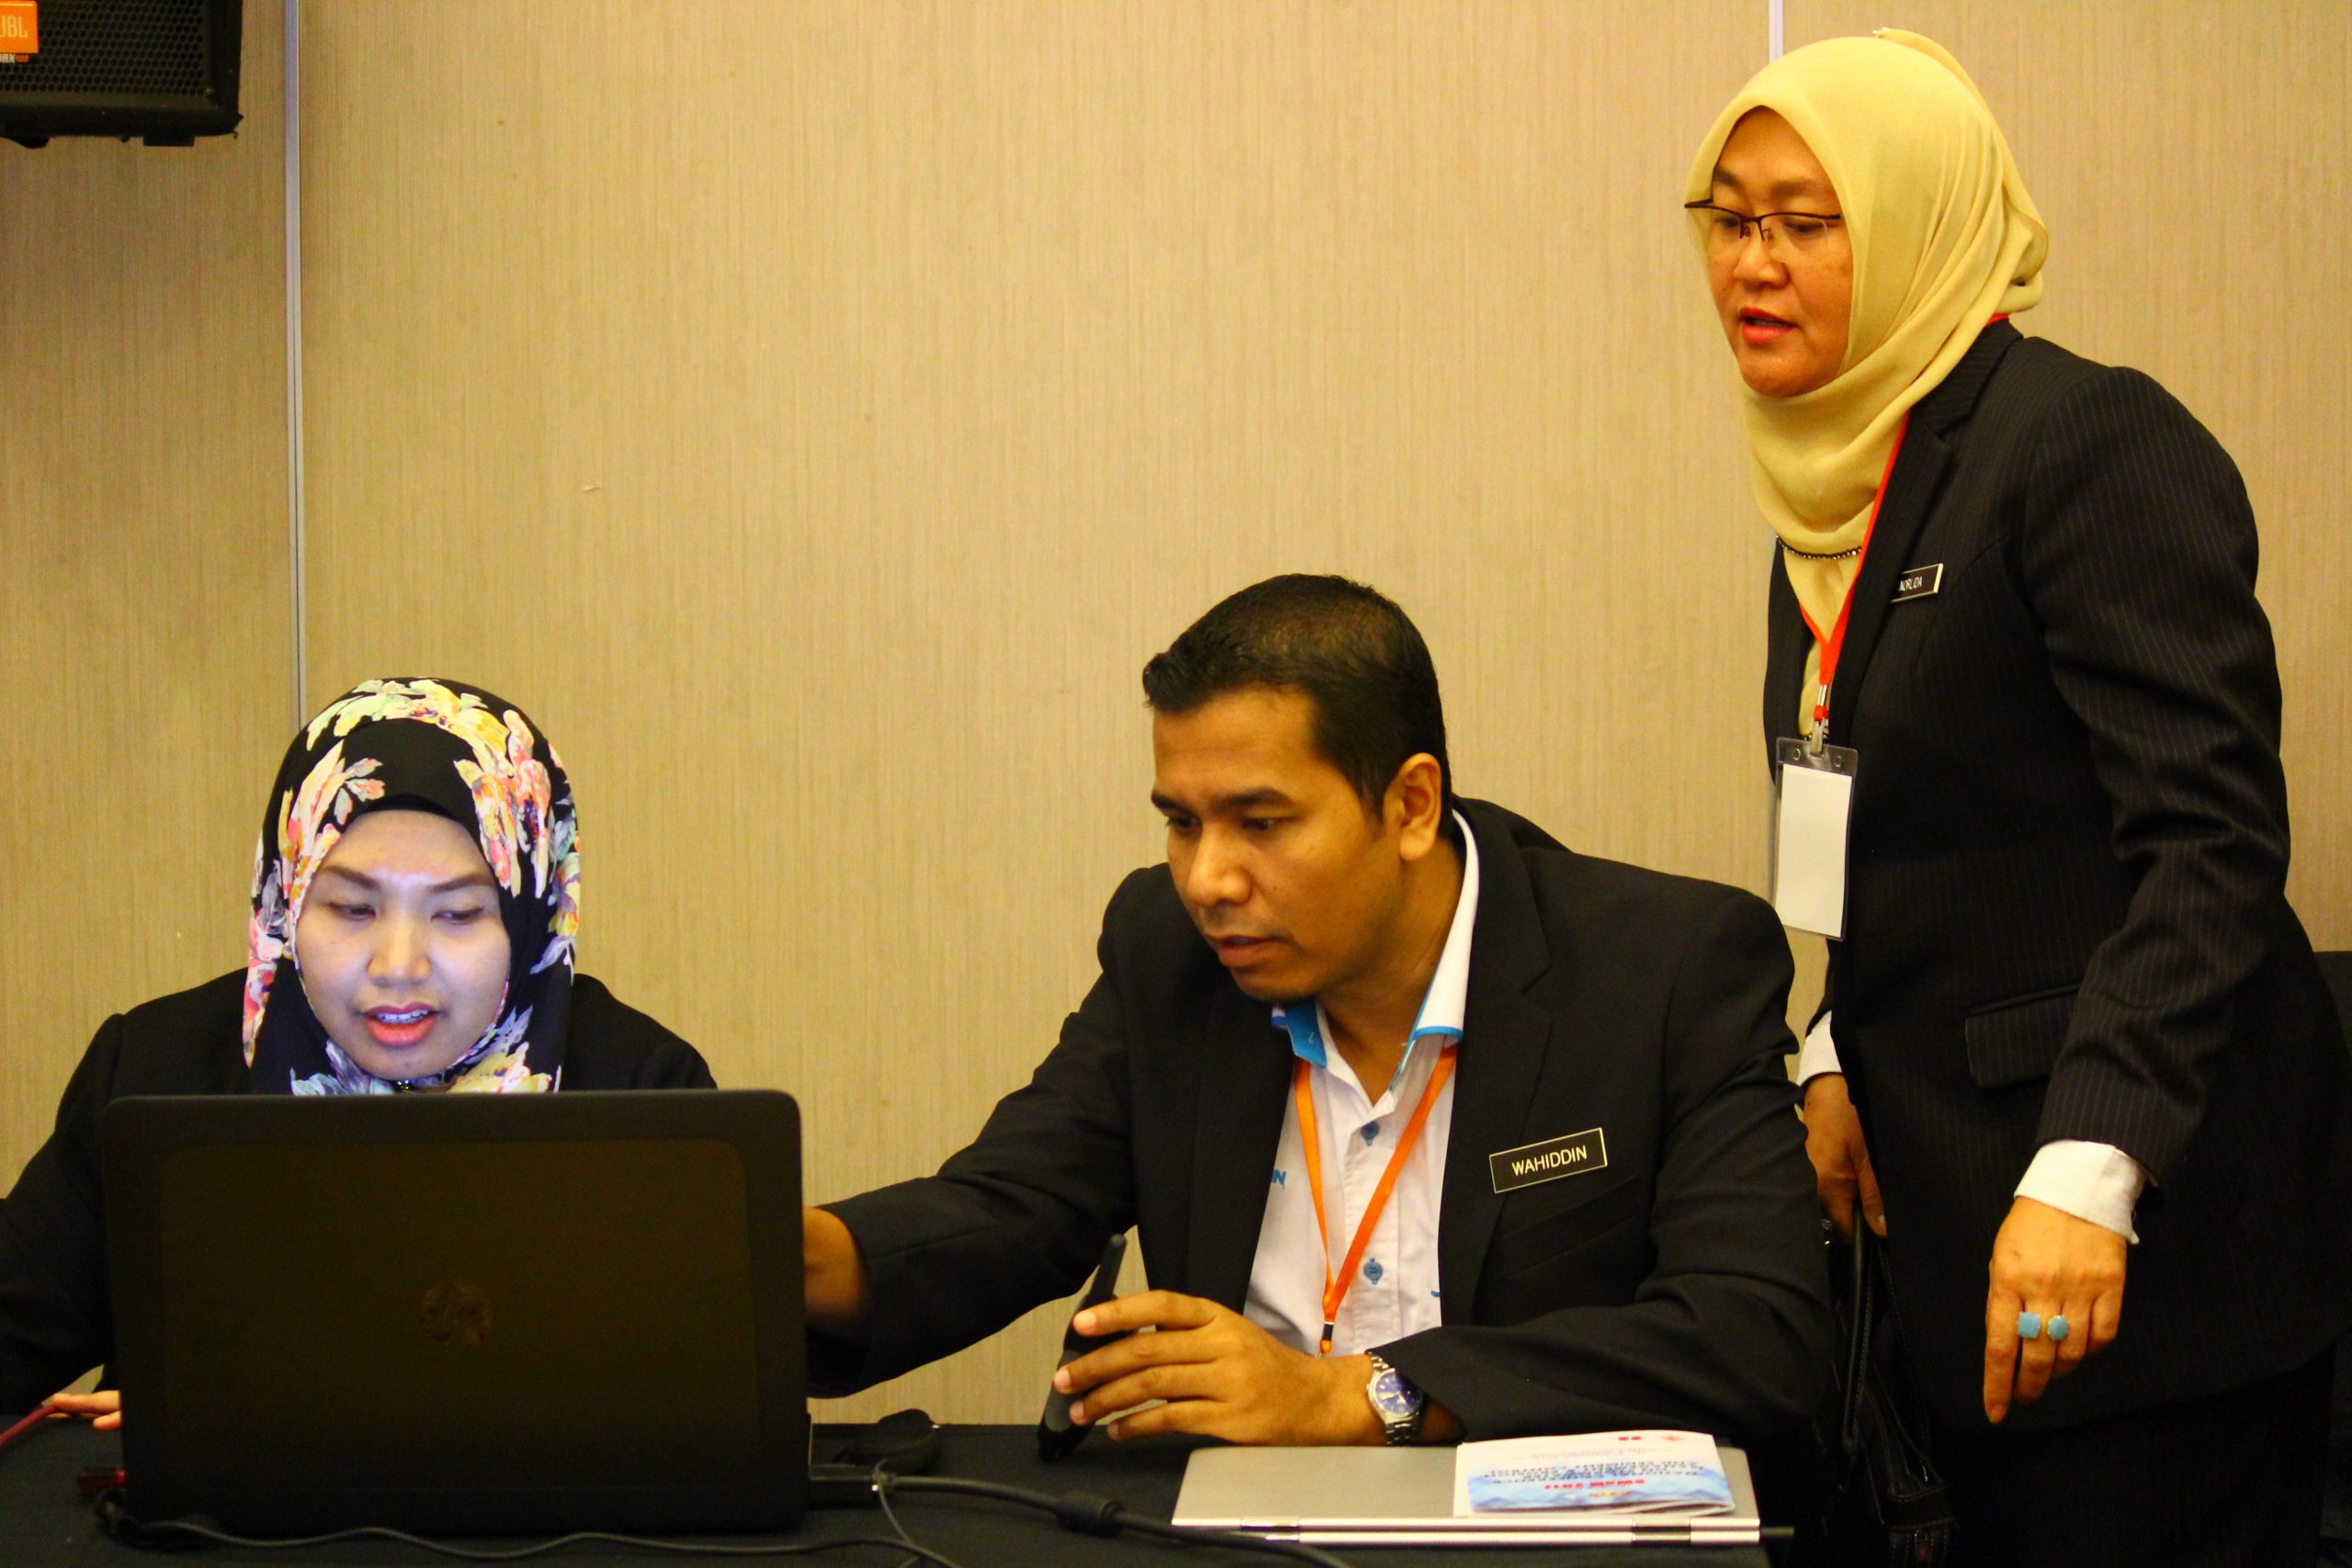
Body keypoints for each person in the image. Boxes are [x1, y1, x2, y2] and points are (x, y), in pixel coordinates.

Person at [1684, 32, 2352, 1563]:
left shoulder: (2081, 439)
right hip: (1948, 1235)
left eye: (1808, 220)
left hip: (2146, 1255)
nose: (1753, 263)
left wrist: (2091, 1166)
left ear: (1920, 221)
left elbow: (2211, 842)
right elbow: (1888, 830)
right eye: (1730, 218)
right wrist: (1836, 1043)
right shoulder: (1832, 490)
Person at [801, 574, 1831, 1448]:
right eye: (1181, 822)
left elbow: (1756, 1335)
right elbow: (1010, 1209)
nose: (1207, 880)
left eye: (1260, 823)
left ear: (1411, 805)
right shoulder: (1171, 956)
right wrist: (780, 1256)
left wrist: (1355, 1396)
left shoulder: (1663, 968)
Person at [0, 678, 715, 1421]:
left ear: (531, 911)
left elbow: (710, 1402)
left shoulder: (642, 1089)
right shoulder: (156, 1070)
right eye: (351, 907)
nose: (398, 965)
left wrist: (264, 1415)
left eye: (457, 912)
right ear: (286, 901)